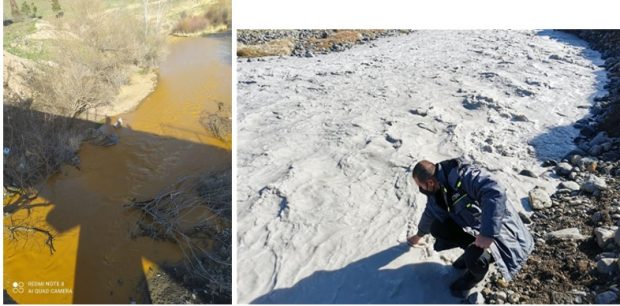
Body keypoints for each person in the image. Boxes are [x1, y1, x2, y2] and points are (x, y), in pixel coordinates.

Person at [407, 158, 534, 296]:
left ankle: (474, 276)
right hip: (473, 227)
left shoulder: (462, 175)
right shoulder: (435, 191)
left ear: (430, 182)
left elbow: (494, 191)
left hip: (501, 230)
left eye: (421, 186)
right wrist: (418, 235)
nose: (421, 189)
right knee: (437, 227)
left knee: (475, 258)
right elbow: (429, 214)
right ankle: (472, 251)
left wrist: (487, 233)